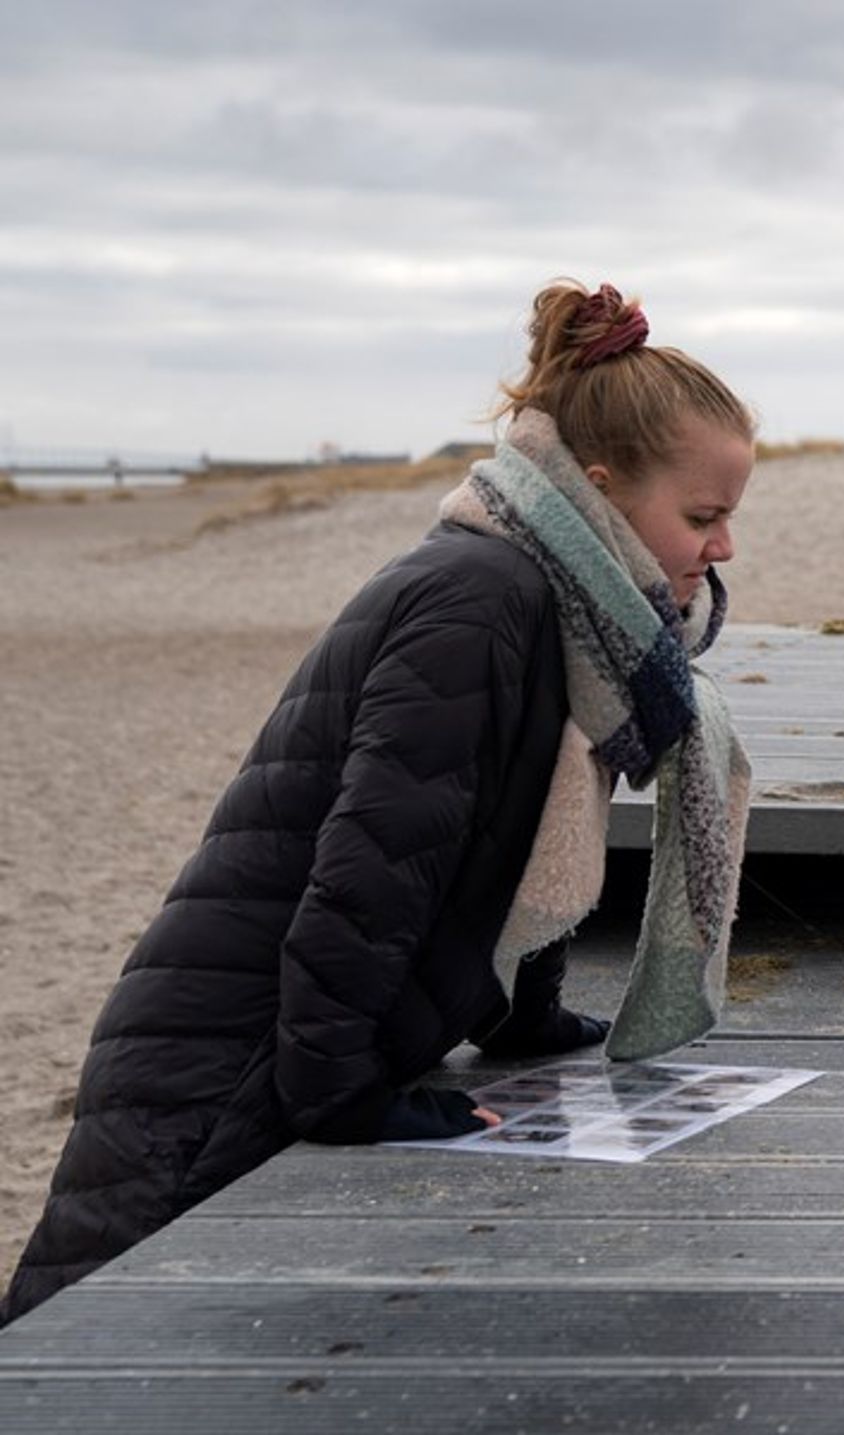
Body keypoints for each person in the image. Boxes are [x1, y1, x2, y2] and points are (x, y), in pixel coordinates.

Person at [1, 280, 757, 1324]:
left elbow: (529, 830)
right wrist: (346, 1096)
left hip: (280, 1032)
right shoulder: (480, 602)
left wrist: (524, 1016)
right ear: (599, 491)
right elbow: (374, 866)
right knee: (82, 1331)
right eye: (703, 517)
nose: (723, 548)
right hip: (227, 1055)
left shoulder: (567, 605)